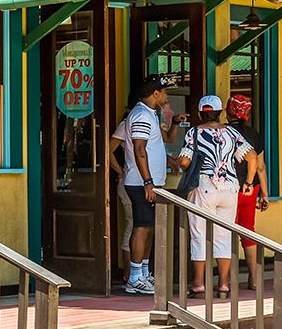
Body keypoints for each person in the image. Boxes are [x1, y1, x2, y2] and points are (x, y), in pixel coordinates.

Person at [175, 94, 259, 300]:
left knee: (199, 235)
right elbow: (252, 157)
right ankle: (223, 285)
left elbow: (185, 162)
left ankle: (198, 285)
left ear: (199, 113)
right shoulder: (231, 132)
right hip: (230, 188)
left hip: (204, 186)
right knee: (223, 236)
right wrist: (248, 183)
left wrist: (182, 161)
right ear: (220, 113)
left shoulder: (194, 132)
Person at [108, 76, 169, 296]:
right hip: (140, 182)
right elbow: (139, 149)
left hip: (150, 182)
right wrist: (148, 181)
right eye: (163, 91)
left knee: (149, 227)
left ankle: (143, 272)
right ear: (155, 93)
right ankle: (134, 277)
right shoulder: (141, 115)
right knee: (141, 227)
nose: (166, 96)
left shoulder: (149, 114)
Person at [226, 94, 270, 292]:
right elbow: (260, 167)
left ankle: (226, 281)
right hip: (250, 189)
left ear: (228, 112)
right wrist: (265, 194)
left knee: (225, 233)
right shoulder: (254, 135)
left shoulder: (224, 133)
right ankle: (253, 279)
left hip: (229, 188)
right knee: (248, 232)